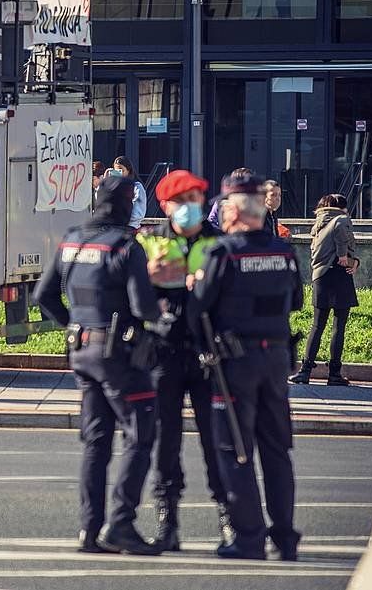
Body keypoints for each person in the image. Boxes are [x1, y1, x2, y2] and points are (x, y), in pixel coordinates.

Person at [34, 174, 163, 556]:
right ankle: (121, 523)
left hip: (82, 351)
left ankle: (89, 530)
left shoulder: (72, 239)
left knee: (96, 442)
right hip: (118, 355)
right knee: (140, 434)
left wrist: (74, 324)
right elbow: (142, 307)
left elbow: (44, 296)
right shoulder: (126, 246)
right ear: (126, 204)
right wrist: (162, 317)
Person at [192, 173, 303, 561]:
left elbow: (197, 311)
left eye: (222, 206)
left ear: (235, 209)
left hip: (235, 364)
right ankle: (285, 538)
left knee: (235, 450)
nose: (219, 212)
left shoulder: (221, 254)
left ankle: (249, 538)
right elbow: (297, 302)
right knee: (276, 450)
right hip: (275, 359)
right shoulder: (284, 252)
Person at [136, 170, 232, 552]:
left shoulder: (216, 242)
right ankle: (167, 521)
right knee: (166, 442)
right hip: (162, 353)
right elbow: (129, 294)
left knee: (216, 439)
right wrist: (149, 278)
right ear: (166, 205)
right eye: (184, 200)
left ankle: (228, 517)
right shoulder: (150, 241)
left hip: (207, 353)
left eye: (197, 198)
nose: (193, 206)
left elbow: (233, 292)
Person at [291, 194, 358, 386]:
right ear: (341, 207)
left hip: (320, 276)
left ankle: (305, 371)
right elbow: (342, 240)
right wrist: (344, 254)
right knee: (339, 326)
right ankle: (334, 373)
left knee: (317, 325)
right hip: (339, 274)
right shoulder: (341, 219)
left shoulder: (319, 223)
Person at [107, 156, 146, 229]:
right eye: (116, 171)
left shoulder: (136, 186)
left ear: (128, 171)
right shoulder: (113, 187)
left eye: (121, 170)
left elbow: (138, 213)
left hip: (130, 227)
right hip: (113, 228)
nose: (119, 174)